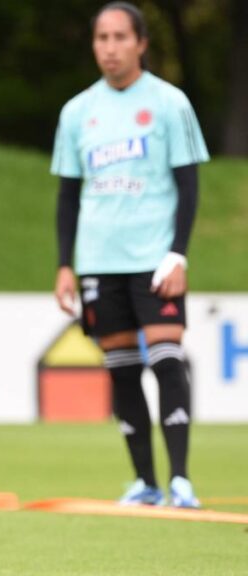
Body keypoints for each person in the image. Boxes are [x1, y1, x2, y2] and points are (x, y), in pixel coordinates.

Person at [52, 1, 208, 508]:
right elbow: (69, 196)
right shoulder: (76, 111)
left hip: (154, 259)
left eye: (121, 37)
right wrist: (65, 264)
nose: (111, 48)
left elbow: (188, 185)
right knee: (120, 368)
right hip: (100, 261)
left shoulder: (170, 103)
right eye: (102, 38)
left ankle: (181, 480)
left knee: (166, 360)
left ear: (141, 43)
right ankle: (145, 482)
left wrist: (178, 254)